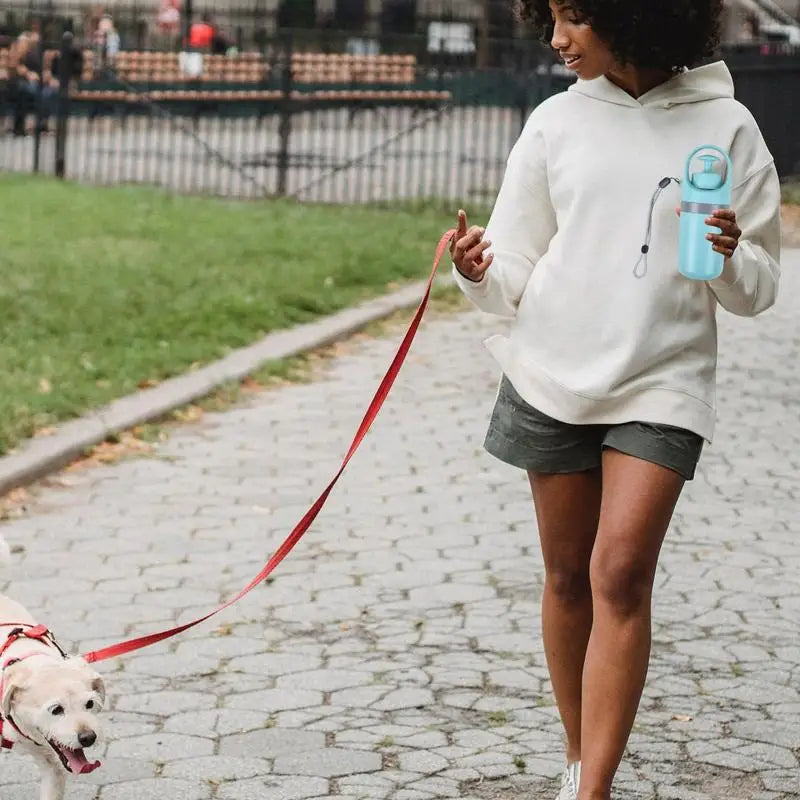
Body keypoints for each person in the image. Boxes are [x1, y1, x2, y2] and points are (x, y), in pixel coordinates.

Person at [449, 2, 781, 800]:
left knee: (621, 572)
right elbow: (514, 263)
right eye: (551, 16)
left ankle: (593, 790)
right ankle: (577, 759)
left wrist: (733, 258)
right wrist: (474, 271)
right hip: (552, 377)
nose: (555, 39)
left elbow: (758, 289)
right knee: (566, 577)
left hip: (663, 381)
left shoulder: (728, 125)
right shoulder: (555, 123)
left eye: (574, 18)